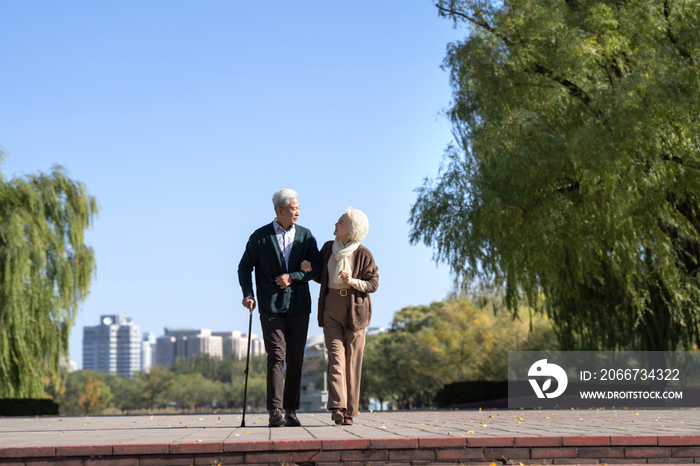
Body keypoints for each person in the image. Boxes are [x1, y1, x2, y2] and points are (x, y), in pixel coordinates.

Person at [238, 188, 321, 427]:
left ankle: (291, 410)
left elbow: (316, 268)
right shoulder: (260, 237)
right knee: (276, 356)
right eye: (293, 208)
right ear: (280, 210)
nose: (297, 212)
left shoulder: (306, 236)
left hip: (299, 305)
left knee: (295, 359)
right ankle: (276, 411)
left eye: (298, 208)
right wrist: (248, 294)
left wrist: (293, 276)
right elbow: (244, 267)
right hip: (270, 306)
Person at [302, 206, 378, 426]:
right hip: (331, 306)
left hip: (355, 309)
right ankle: (337, 406)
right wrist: (309, 268)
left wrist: (352, 282)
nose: (336, 224)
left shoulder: (363, 253)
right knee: (335, 357)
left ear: (352, 229)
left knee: (352, 361)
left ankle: (350, 412)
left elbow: (373, 284)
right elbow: (321, 276)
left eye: (341, 222)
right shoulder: (328, 248)